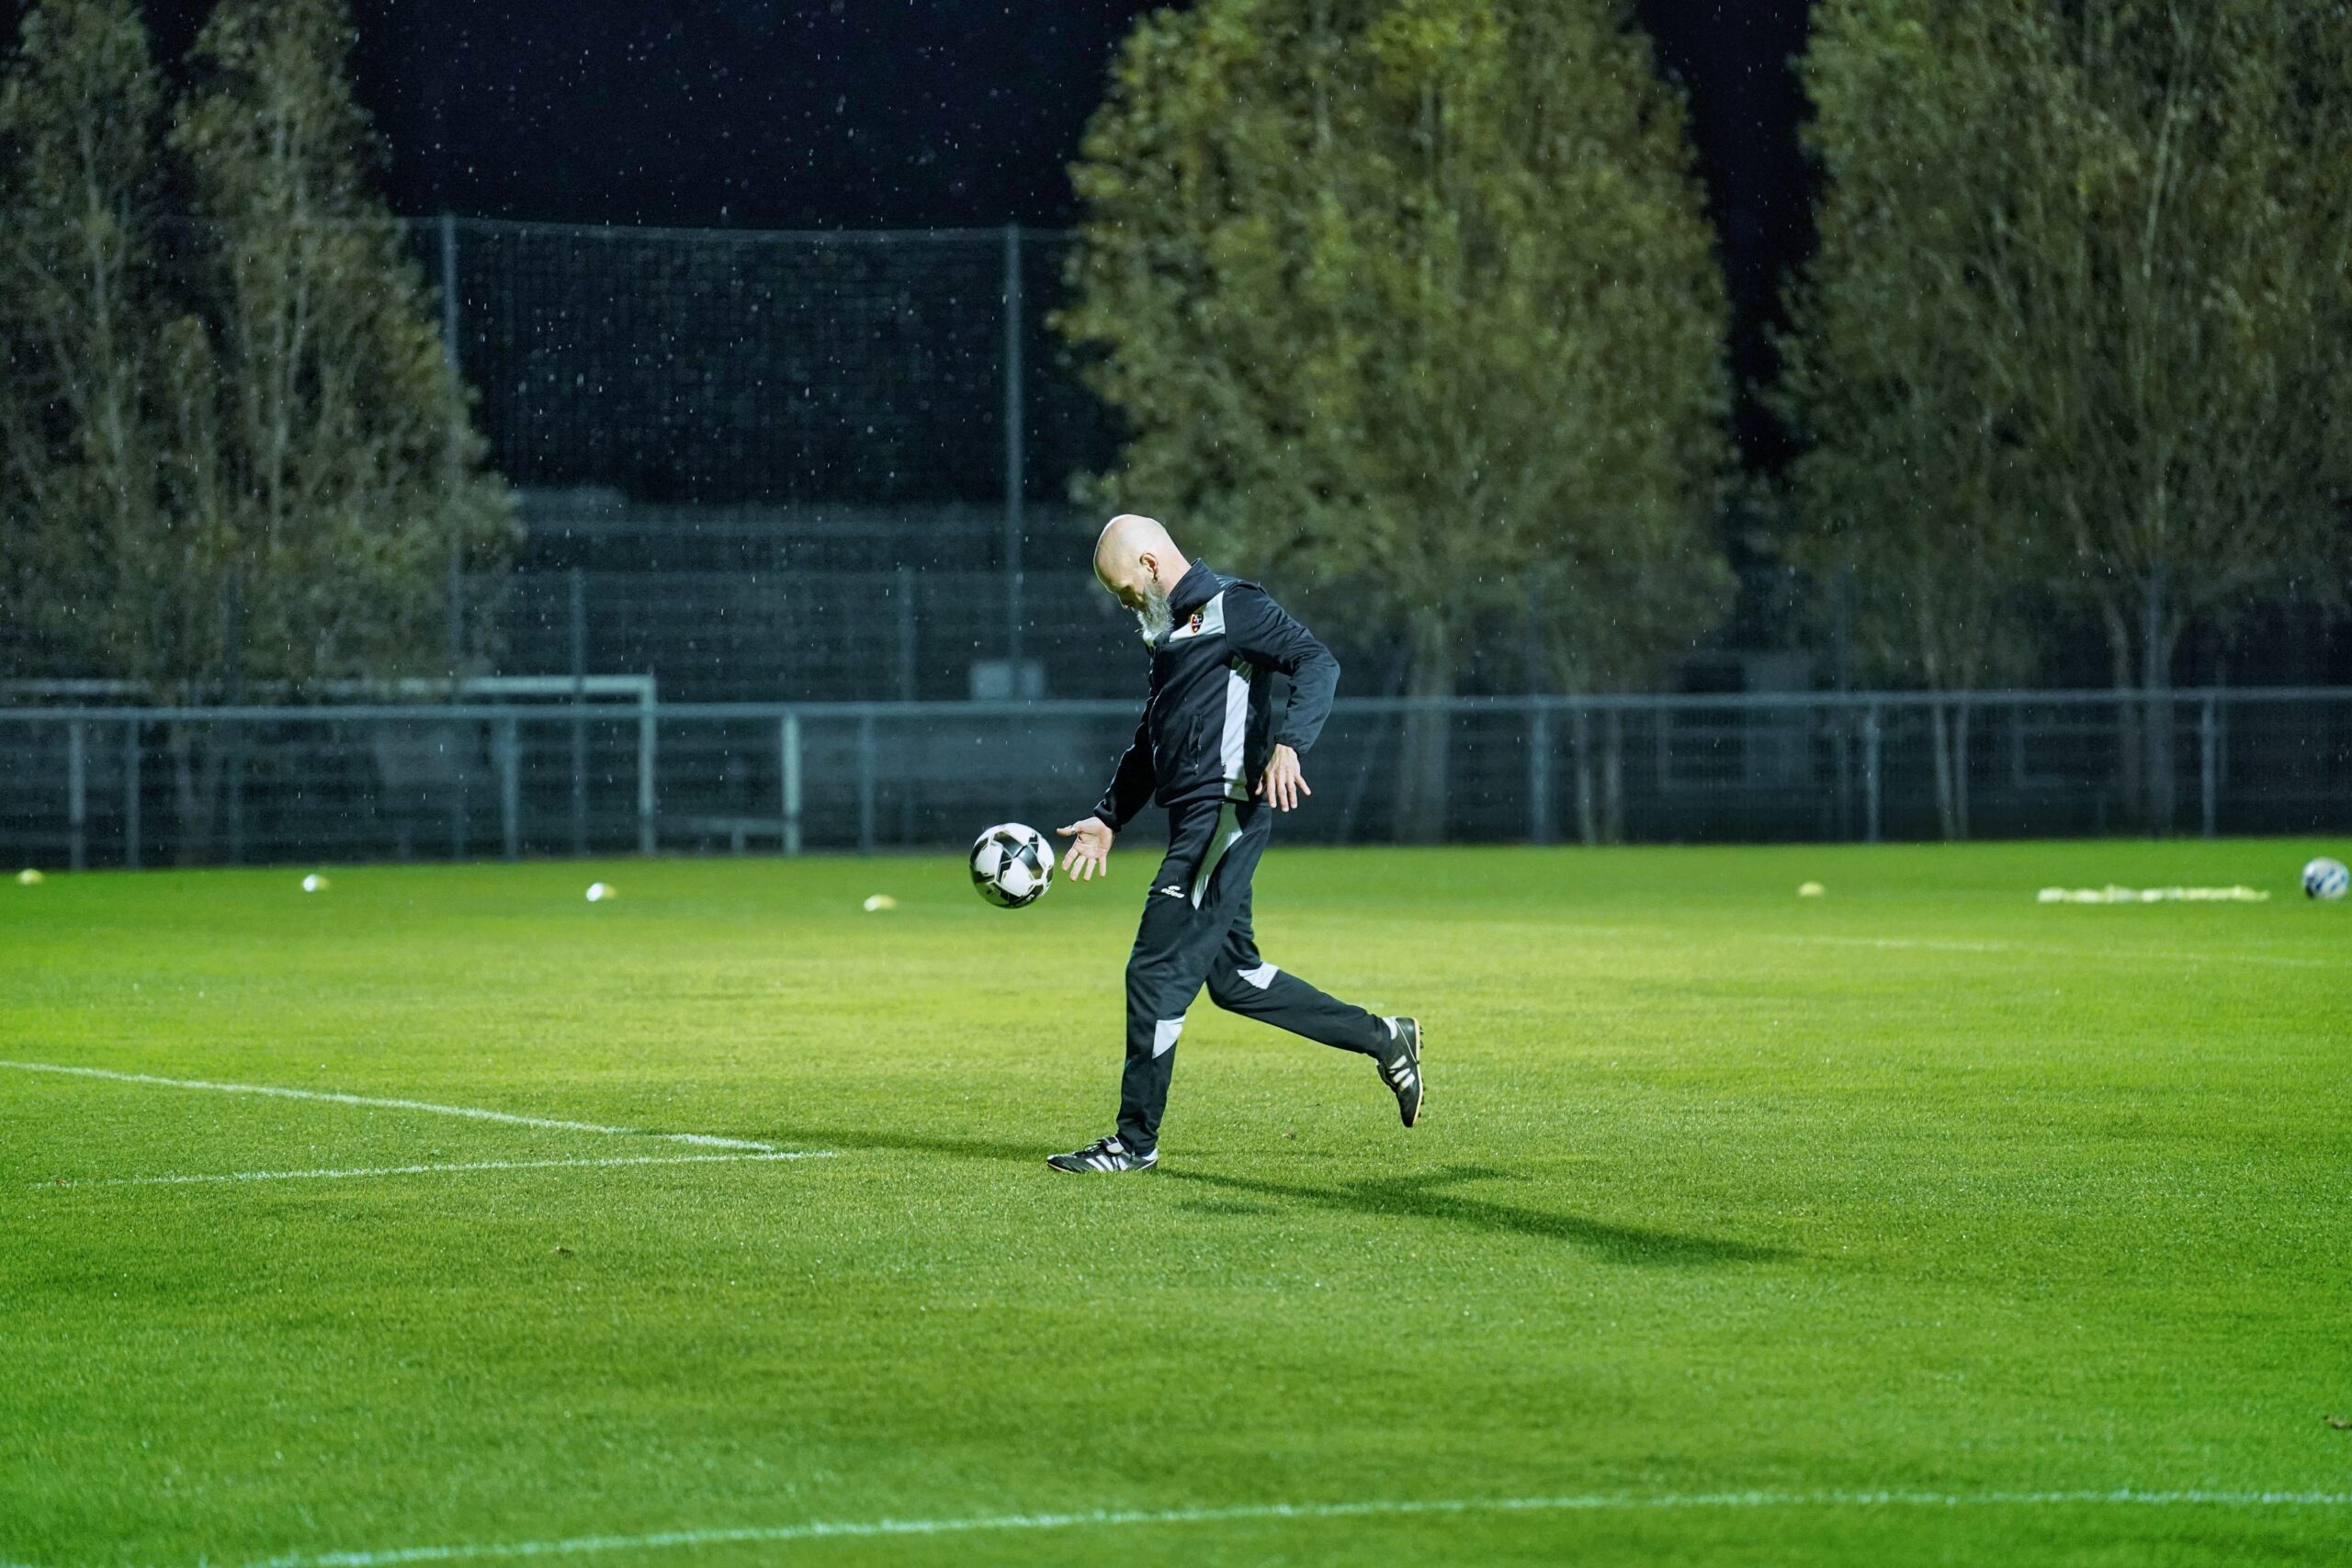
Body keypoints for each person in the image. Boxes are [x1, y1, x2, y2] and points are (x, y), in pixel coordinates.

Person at [1046, 514, 1423, 1175]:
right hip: (1194, 818)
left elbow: (1317, 661)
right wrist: (1109, 817)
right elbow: (1151, 736)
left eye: (1126, 590)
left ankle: (1134, 1144)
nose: (1126, 604)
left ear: (1151, 565)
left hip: (1222, 816)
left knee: (1154, 971)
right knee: (1236, 979)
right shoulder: (1170, 633)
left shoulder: (1235, 607)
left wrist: (1290, 745)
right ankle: (1386, 1037)